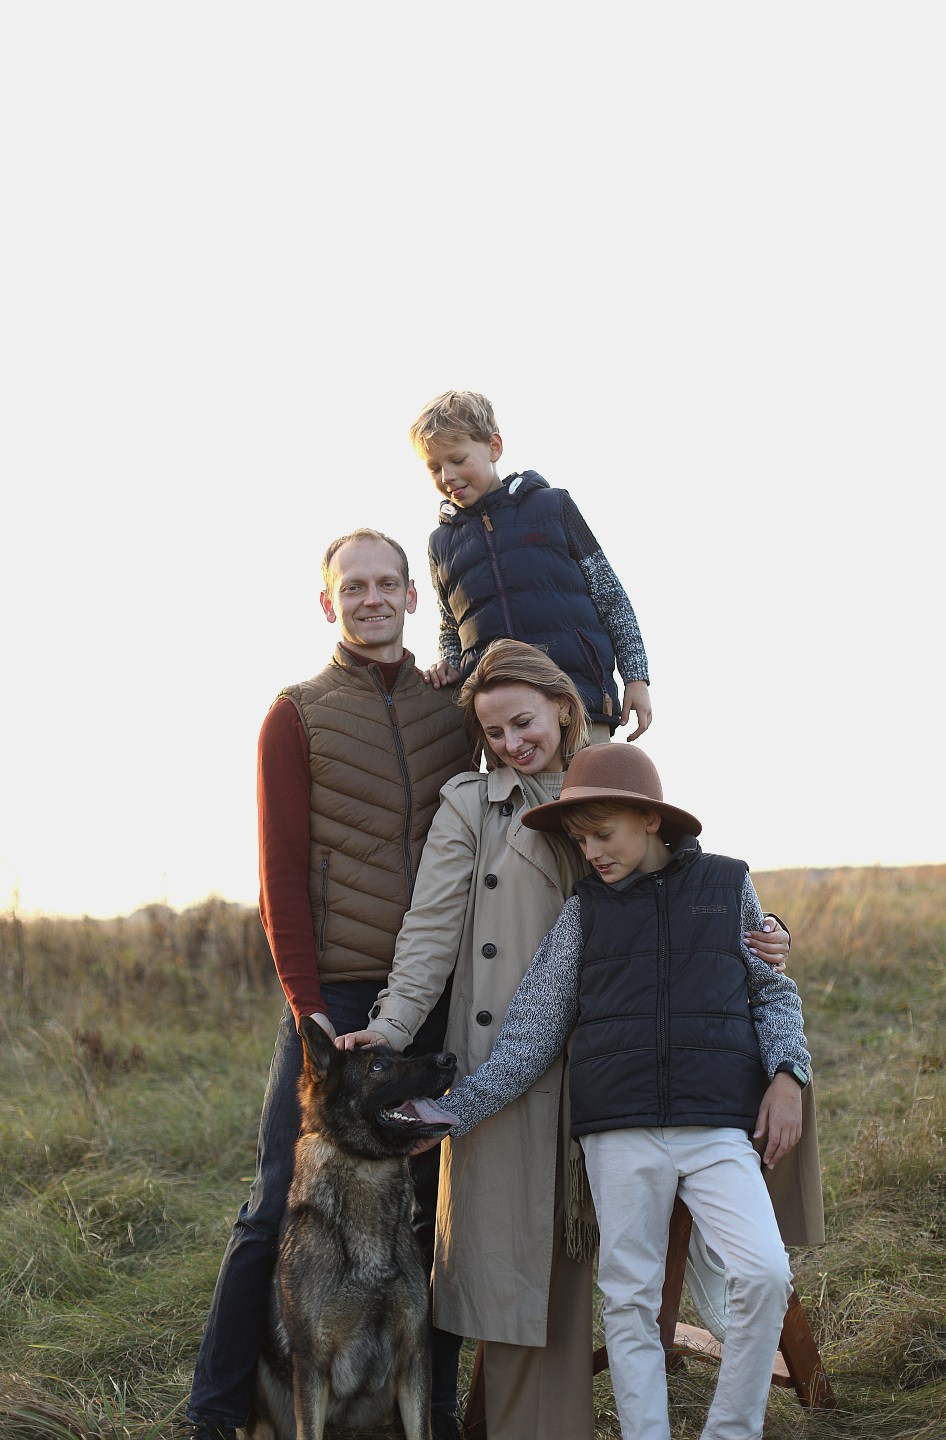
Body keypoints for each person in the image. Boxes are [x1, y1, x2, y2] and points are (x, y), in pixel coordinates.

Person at [339, 639, 815, 1440]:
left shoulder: (685, 848)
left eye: (522, 722)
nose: (592, 853)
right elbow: (492, 996)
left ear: (564, 710)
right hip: (593, 1098)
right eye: (493, 733)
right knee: (597, 1285)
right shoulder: (548, 877)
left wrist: (787, 1058)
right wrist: (429, 1079)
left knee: (754, 1270)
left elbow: (755, 971)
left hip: (700, 1106)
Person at [184, 529, 473, 1440]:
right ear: (328, 603)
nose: (374, 598)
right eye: (355, 586)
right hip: (336, 996)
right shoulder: (295, 714)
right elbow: (279, 873)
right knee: (279, 1202)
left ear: (413, 600)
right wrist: (307, 1006)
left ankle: (424, 1415)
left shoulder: (454, 708)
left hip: (433, 991)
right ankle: (215, 1411)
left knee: (433, 1213)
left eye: (389, 583)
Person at [409, 388, 652, 741]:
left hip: (579, 706)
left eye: (458, 460)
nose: (447, 476)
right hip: (503, 730)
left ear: (494, 447)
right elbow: (451, 624)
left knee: (592, 794)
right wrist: (449, 663)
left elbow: (610, 595)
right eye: (434, 467)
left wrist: (636, 678)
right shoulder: (441, 544)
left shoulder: (552, 507)